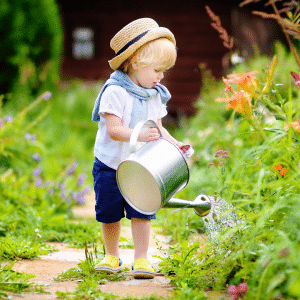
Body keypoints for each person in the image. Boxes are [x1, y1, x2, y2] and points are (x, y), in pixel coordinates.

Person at [92, 17, 183, 279]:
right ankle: (112, 255)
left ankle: (141, 259)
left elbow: (159, 127)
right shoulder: (115, 92)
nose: (161, 76)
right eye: (157, 70)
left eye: (164, 70)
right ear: (135, 63)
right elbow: (114, 129)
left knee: (142, 211)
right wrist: (140, 134)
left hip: (141, 167)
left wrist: (175, 145)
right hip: (111, 164)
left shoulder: (154, 94)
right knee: (109, 212)